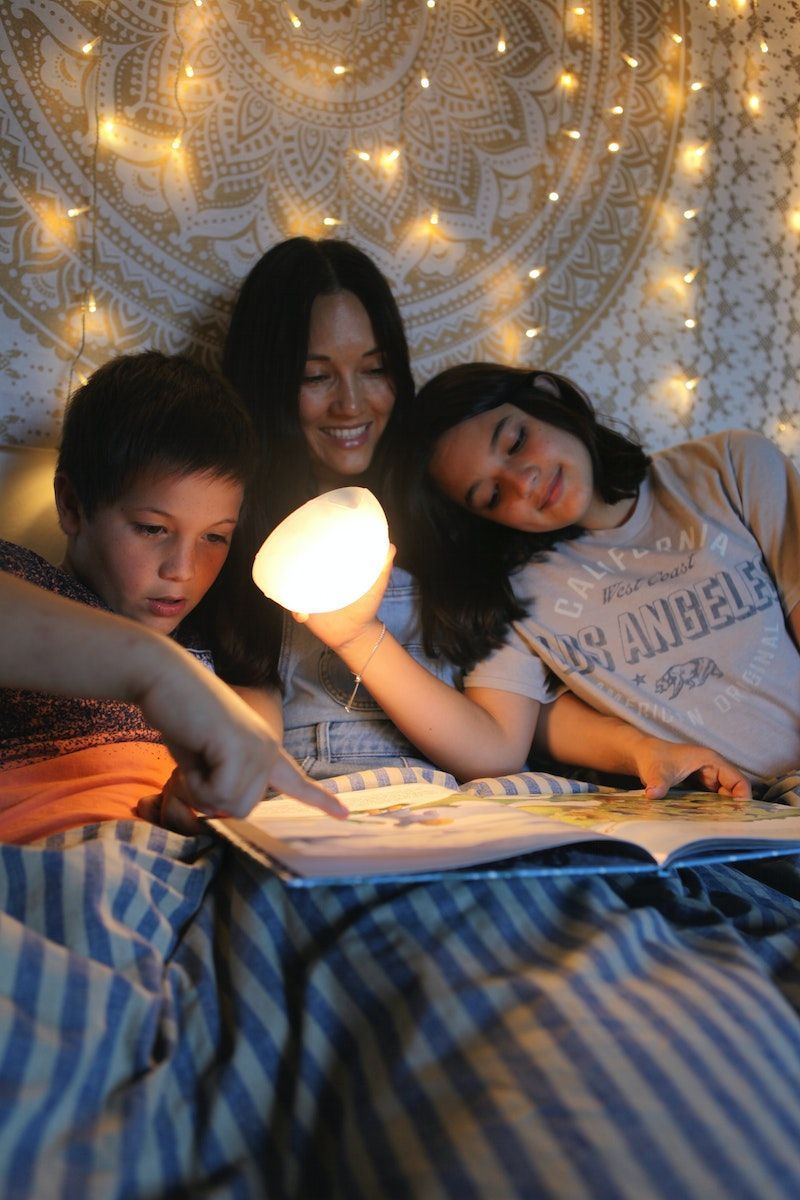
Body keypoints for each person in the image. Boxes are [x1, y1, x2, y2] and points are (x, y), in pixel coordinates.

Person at [224, 238, 749, 797]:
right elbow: (242, 685)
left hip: (449, 800)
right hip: (314, 789)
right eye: (316, 376)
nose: (351, 404)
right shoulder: (238, 529)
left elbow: (507, 732)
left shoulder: (457, 515)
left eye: (374, 369)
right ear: (270, 381)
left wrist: (358, 637)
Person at [310, 362, 796, 794]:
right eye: (492, 496)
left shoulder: (728, 467)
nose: (523, 482)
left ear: (547, 397)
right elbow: (494, 749)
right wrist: (357, 637)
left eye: (516, 441)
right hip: (737, 818)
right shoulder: (517, 589)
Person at [0, 350, 344, 842]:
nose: (182, 571)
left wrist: (209, 791)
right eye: (152, 528)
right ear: (72, 506)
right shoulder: (21, 579)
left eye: (215, 537)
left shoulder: (218, 644)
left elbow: (245, 756)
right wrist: (151, 666)